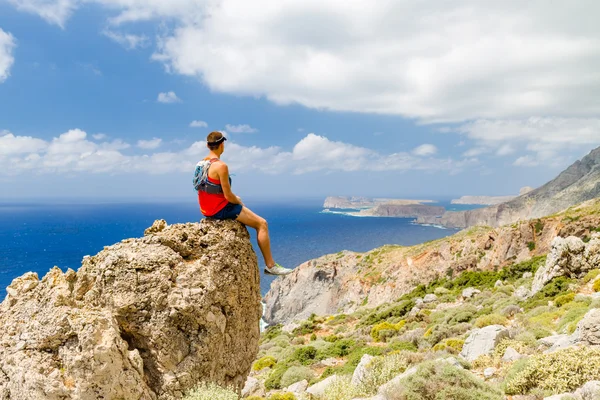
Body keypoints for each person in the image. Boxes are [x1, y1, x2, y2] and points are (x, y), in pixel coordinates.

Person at [197, 131, 293, 276]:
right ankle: (270, 265)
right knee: (262, 224)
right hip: (220, 209)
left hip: (206, 209)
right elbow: (228, 196)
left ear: (207, 145)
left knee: (243, 208)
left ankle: (271, 265)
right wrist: (238, 200)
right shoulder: (221, 166)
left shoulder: (201, 164)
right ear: (222, 145)